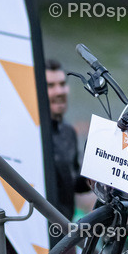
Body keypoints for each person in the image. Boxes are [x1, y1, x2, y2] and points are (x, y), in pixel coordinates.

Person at [45, 58, 91, 221]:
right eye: (50, 86)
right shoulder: (31, 135)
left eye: (62, 84)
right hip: (37, 233)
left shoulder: (68, 132)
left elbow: (74, 184)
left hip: (64, 229)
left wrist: (98, 176)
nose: (59, 91)